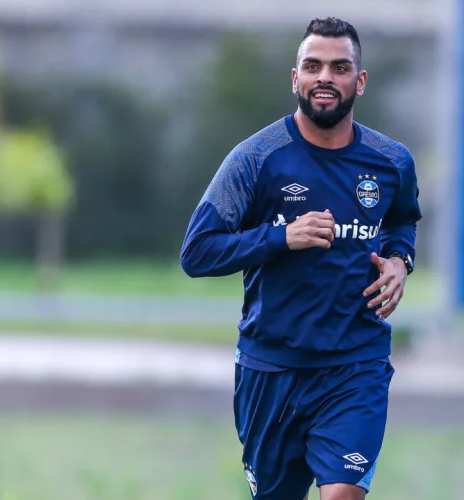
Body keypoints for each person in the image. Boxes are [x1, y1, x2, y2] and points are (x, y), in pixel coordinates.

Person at [180, 17, 421, 500]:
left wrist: (400, 261)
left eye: (339, 67)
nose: (325, 77)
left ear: (360, 80)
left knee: (343, 494)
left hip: (356, 364)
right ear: (296, 79)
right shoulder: (255, 158)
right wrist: (280, 237)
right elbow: (197, 251)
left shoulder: (392, 161)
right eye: (312, 66)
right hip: (271, 368)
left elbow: (401, 221)